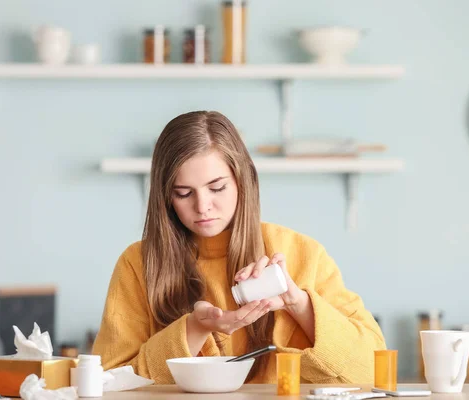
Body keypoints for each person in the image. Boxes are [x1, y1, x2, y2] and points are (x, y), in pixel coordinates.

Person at [92, 111, 386, 384]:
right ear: (165, 198)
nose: (203, 206)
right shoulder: (138, 263)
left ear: (242, 180)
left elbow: (372, 371)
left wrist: (298, 303)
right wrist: (194, 329)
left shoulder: (302, 253)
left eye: (217, 188)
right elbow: (109, 382)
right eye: (183, 193)